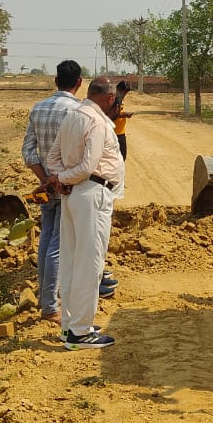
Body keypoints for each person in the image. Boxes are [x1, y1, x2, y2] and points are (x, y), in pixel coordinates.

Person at [44, 77, 125, 350]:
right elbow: (89, 166)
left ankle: (70, 327)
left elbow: (52, 158)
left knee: (71, 260)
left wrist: (59, 179)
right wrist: (65, 178)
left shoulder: (73, 117)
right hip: (91, 194)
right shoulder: (97, 122)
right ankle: (80, 332)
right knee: (90, 265)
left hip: (73, 196)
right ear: (111, 99)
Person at [21, 60, 82, 324]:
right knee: (59, 245)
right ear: (79, 83)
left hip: (47, 186)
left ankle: (45, 299)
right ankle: (50, 307)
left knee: (46, 240)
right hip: (68, 187)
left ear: (56, 81)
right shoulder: (78, 111)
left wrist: (45, 179)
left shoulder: (38, 108)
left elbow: (28, 151)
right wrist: (61, 180)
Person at [109, 80, 134, 159]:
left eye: (126, 93)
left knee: (122, 157)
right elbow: (110, 114)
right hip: (112, 133)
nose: (124, 95)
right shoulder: (111, 99)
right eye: (123, 93)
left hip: (121, 132)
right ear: (118, 89)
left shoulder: (121, 99)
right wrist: (123, 115)